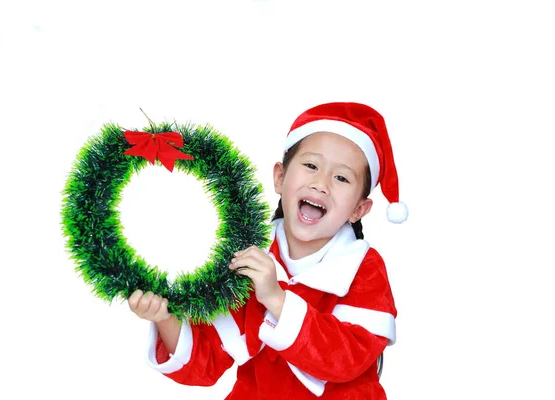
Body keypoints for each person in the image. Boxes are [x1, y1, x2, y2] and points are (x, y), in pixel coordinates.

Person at [128, 102, 408, 399]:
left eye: (341, 178)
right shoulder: (251, 257)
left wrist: (277, 299)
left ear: (359, 209)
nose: (321, 184)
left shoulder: (363, 268)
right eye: (311, 166)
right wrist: (164, 318)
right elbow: (207, 359)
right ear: (280, 177)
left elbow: (347, 358)